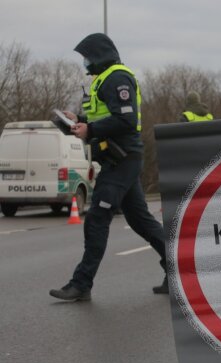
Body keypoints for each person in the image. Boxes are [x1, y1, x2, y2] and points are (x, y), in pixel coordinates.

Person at [49, 33, 168, 301]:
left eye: (87, 57)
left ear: (100, 55)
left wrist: (89, 128)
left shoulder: (117, 77)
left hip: (121, 159)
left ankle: (81, 284)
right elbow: (105, 117)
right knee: (141, 221)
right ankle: (179, 270)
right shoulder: (103, 79)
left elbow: (124, 120)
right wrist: (77, 120)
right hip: (119, 158)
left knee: (96, 219)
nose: (85, 62)